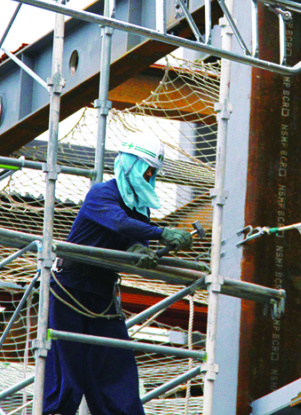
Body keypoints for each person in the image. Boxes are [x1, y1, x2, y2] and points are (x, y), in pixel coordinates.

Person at [43, 133, 194, 415]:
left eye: (153, 172)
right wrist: (163, 233)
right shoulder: (102, 193)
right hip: (70, 287)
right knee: (67, 369)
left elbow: (135, 240)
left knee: (116, 369)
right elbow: (120, 224)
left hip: (103, 292)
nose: (149, 176)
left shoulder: (140, 208)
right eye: (146, 169)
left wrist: (141, 252)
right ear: (130, 164)